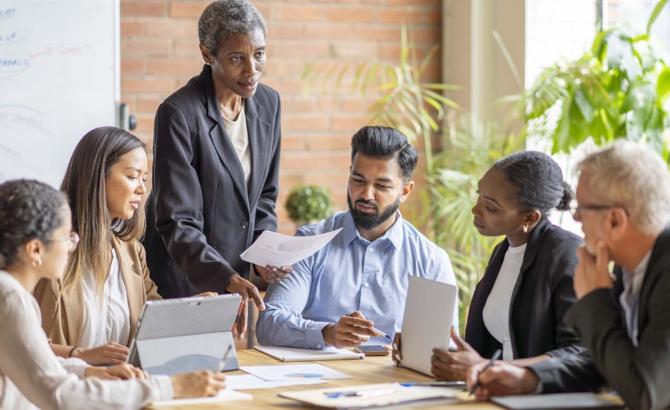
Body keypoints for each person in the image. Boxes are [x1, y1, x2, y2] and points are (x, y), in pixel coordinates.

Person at [467, 141, 670, 410]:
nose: (575, 218)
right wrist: (529, 378)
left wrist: (595, 300)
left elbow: (646, 392)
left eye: (583, 208)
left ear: (615, 221)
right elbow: (606, 363)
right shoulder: (628, 266)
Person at [0, 179, 225, 409]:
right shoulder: (10, 298)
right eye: (67, 236)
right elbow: (61, 396)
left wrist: (87, 371)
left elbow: (37, 362)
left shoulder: (9, 292)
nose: (72, 244)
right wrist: (171, 387)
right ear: (35, 249)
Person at [143, 0, 288, 335]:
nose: (252, 69)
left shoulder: (269, 103)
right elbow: (177, 221)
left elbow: (264, 197)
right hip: (189, 279)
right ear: (207, 54)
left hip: (241, 280)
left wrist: (264, 255)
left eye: (260, 54)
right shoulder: (179, 113)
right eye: (237, 58)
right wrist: (225, 278)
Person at [256, 126, 459, 349]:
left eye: (382, 185)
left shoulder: (431, 261)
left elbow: (445, 346)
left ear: (405, 191)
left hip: (394, 382)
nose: (366, 194)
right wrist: (326, 333)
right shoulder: (310, 242)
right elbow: (268, 324)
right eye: (358, 180)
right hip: (318, 381)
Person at [34, 127, 213, 366]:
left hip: (122, 389)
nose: (142, 188)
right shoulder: (47, 251)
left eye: (144, 179)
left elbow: (152, 318)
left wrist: (190, 311)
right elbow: (18, 341)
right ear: (97, 176)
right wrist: (80, 355)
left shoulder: (132, 252)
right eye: (132, 176)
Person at [426, 152, 584, 381]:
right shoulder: (504, 251)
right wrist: (434, 355)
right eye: (479, 196)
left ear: (529, 218)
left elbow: (578, 352)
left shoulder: (568, 254)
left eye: (491, 207)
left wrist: (487, 368)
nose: (475, 209)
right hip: (497, 392)